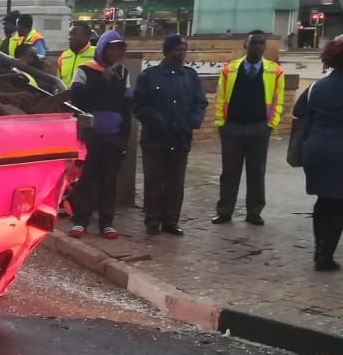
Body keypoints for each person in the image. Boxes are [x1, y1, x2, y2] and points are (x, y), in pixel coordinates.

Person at [133, 34, 206, 235]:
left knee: (175, 183)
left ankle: (171, 220)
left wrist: (192, 122)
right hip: (155, 139)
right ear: (167, 51)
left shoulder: (190, 76)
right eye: (177, 49)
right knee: (154, 182)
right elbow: (138, 105)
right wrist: (156, 120)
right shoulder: (149, 76)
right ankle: (152, 220)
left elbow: (200, 102)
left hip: (180, 137)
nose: (181, 53)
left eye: (184, 49)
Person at [211, 30, 283, 226]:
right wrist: (221, 124)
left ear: (265, 46)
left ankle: (254, 212)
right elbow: (221, 98)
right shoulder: (229, 69)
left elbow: (278, 101)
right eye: (254, 43)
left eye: (261, 43)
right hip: (232, 128)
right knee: (229, 173)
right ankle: (224, 211)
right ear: (245, 45)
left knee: (256, 172)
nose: (257, 46)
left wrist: (270, 125)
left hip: (259, 128)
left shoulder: (275, 71)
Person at [68, 30, 132, 239]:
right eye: (110, 48)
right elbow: (77, 98)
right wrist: (101, 81)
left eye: (118, 48)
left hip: (113, 137)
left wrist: (124, 137)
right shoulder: (85, 70)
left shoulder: (122, 74)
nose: (113, 52)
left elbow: (126, 105)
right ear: (102, 48)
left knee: (108, 181)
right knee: (86, 180)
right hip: (89, 136)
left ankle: (107, 222)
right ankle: (80, 221)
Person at [293, 37, 343, 271]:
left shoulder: (315, 87)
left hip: (317, 151)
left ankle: (320, 250)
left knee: (324, 200)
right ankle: (326, 255)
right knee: (338, 204)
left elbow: (299, 111)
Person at [55, 22, 95, 88]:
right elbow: (58, 82)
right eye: (69, 34)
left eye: (74, 34)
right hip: (66, 97)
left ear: (86, 36)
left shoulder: (97, 54)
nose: (69, 37)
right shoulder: (63, 56)